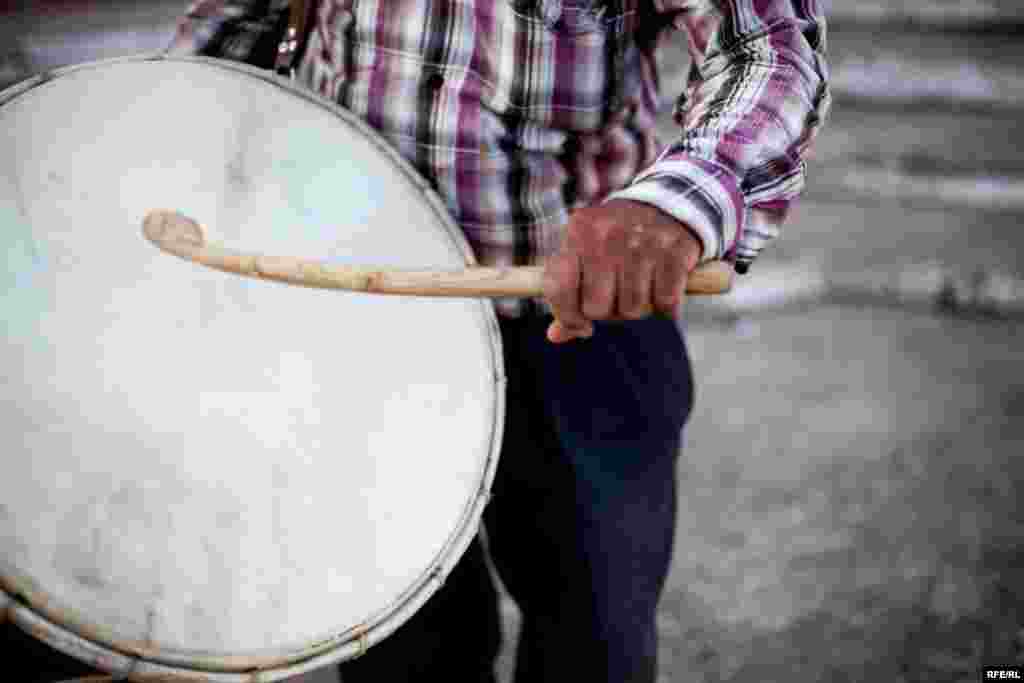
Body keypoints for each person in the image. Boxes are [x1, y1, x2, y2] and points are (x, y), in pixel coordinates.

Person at [4, 1, 829, 681]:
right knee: (401, 647)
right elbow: (234, 32)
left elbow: (770, 51)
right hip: (350, 320)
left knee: (595, 634)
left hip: (577, 313)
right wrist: (141, 177)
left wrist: (674, 206)